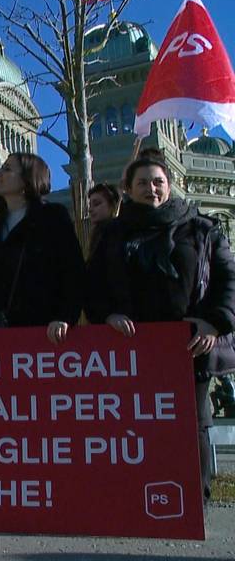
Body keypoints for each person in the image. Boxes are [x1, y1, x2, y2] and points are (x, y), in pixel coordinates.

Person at [86, 151, 235, 505]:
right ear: (128, 190)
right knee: (133, 425)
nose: (151, 189)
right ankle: (137, 499)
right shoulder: (113, 234)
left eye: (157, 182)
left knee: (189, 424)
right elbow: (93, 285)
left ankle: (192, 503)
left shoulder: (201, 228)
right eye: (142, 183)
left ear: (168, 186)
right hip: (131, 348)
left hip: (189, 347)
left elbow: (228, 279)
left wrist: (214, 322)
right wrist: (106, 315)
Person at [0, 152, 85, 343]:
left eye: (7, 169)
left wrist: (65, 316)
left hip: (43, 333)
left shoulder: (52, 217)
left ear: (28, 178)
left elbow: (72, 271)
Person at [88, 182, 121, 256]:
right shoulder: (95, 236)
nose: (90, 210)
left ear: (112, 206)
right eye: (90, 205)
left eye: (96, 204)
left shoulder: (117, 235)